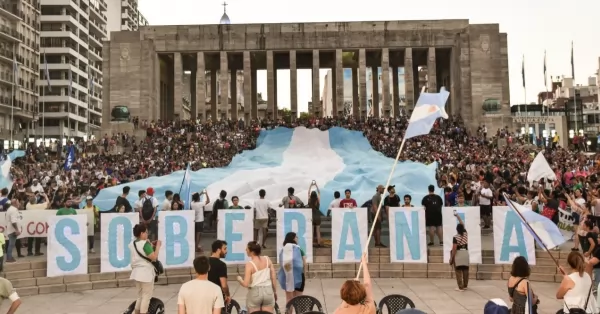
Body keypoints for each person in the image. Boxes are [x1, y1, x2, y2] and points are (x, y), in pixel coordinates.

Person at [129, 223, 162, 314]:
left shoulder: (132, 244)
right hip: (146, 273)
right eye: (146, 232)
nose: (147, 234)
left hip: (136, 273)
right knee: (146, 296)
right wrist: (158, 246)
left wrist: (150, 244)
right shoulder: (145, 245)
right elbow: (154, 257)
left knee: (140, 296)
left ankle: (136, 312)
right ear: (141, 233)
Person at [237, 241, 277, 313]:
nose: (246, 250)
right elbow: (273, 277)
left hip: (255, 292)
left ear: (251, 251)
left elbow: (246, 284)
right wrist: (274, 291)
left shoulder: (249, 264)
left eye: (247, 249)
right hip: (268, 290)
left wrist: (239, 280)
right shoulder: (267, 259)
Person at [278, 232, 306, 304]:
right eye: (296, 237)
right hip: (299, 276)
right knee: (299, 299)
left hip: (287, 276)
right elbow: (304, 263)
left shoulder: (283, 250)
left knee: (289, 299)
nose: (297, 238)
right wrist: (304, 273)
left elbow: (282, 264)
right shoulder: (299, 249)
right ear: (293, 238)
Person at [449, 212, 469, 291]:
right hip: (465, 253)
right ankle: (465, 285)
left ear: (457, 229)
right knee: (465, 269)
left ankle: (460, 287)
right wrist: (458, 216)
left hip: (458, 254)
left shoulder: (455, 237)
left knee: (458, 271)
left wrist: (452, 258)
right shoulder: (465, 234)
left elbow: (454, 248)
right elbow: (462, 224)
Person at [208, 240, 231, 305]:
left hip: (204, 294)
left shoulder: (204, 262)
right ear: (218, 250)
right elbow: (224, 285)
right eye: (224, 249)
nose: (226, 251)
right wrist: (228, 295)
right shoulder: (221, 265)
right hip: (216, 296)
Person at [307, 182, 321, 247]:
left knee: (312, 231)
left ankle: (311, 243)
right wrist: (316, 185)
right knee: (318, 231)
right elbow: (319, 192)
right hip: (317, 216)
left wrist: (311, 185)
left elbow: (308, 193)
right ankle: (319, 243)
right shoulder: (318, 200)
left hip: (311, 216)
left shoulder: (309, 200)